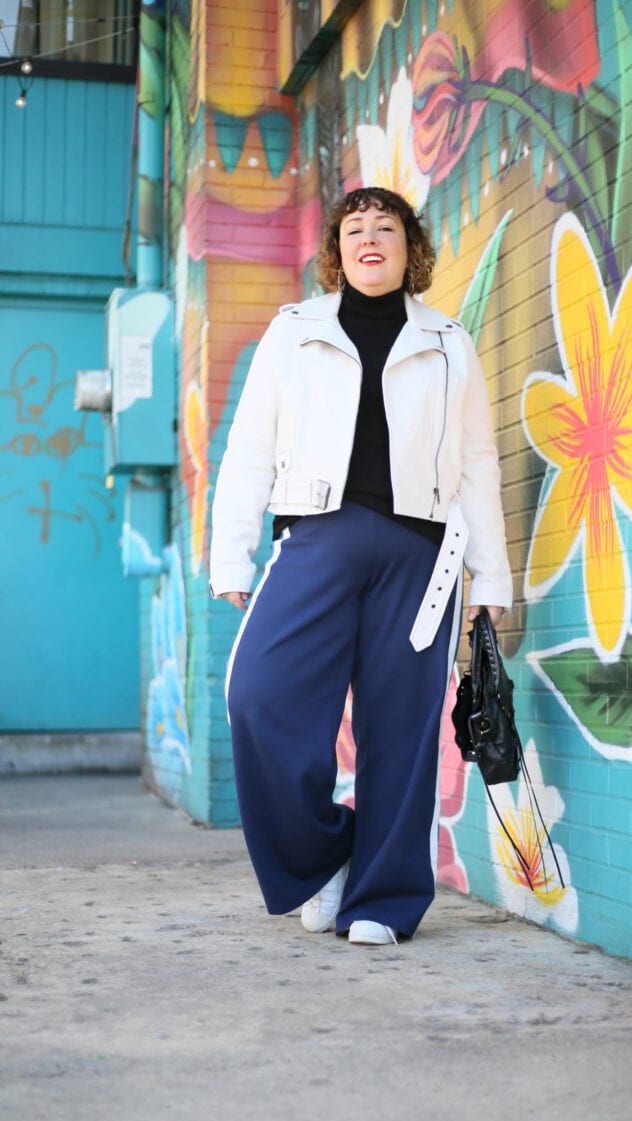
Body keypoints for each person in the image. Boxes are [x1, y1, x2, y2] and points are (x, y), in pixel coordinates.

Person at [209, 186, 512, 946]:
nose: (370, 238)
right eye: (354, 229)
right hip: (314, 540)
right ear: (336, 251)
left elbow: (477, 462)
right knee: (259, 695)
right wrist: (229, 552)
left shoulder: (449, 340)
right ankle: (323, 855)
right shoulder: (295, 330)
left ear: (411, 249)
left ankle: (386, 895)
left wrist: (492, 578)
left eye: (386, 227)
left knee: (403, 729)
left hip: (421, 557)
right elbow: (248, 447)